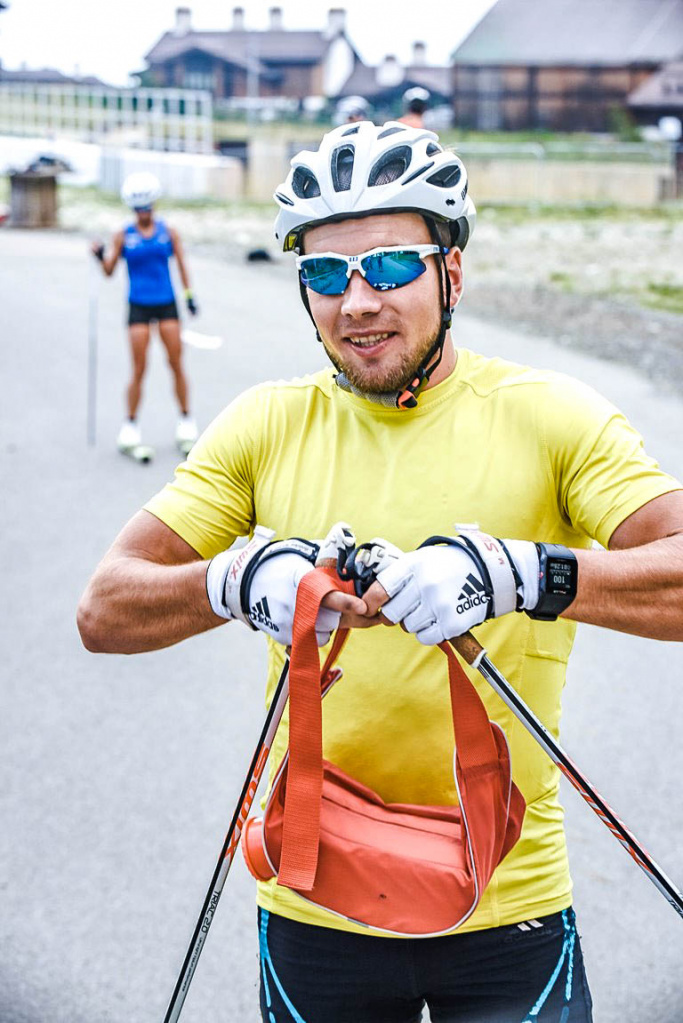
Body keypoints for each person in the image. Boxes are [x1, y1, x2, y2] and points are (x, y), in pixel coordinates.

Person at [77, 121, 683, 1022]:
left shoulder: (551, 417)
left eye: (391, 265)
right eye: (325, 273)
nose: (356, 299)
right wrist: (233, 582)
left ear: (453, 273)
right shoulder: (263, 424)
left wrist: (525, 574)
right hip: (312, 900)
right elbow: (104, 608)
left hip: (506, 907)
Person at [91, 171, 199, 455]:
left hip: (166, 304)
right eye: (139, 210)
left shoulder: (168, 231)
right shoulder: (123, 235)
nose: (144, 214)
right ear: (132, 209)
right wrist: (100, 254)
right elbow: (109, 271)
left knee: (175, 363)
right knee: (139, 368)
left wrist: (189, 296)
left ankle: (186, 421)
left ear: (154, 206)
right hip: (138, 305)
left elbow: (182, 266)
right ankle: (130, 426)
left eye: (148, 208)